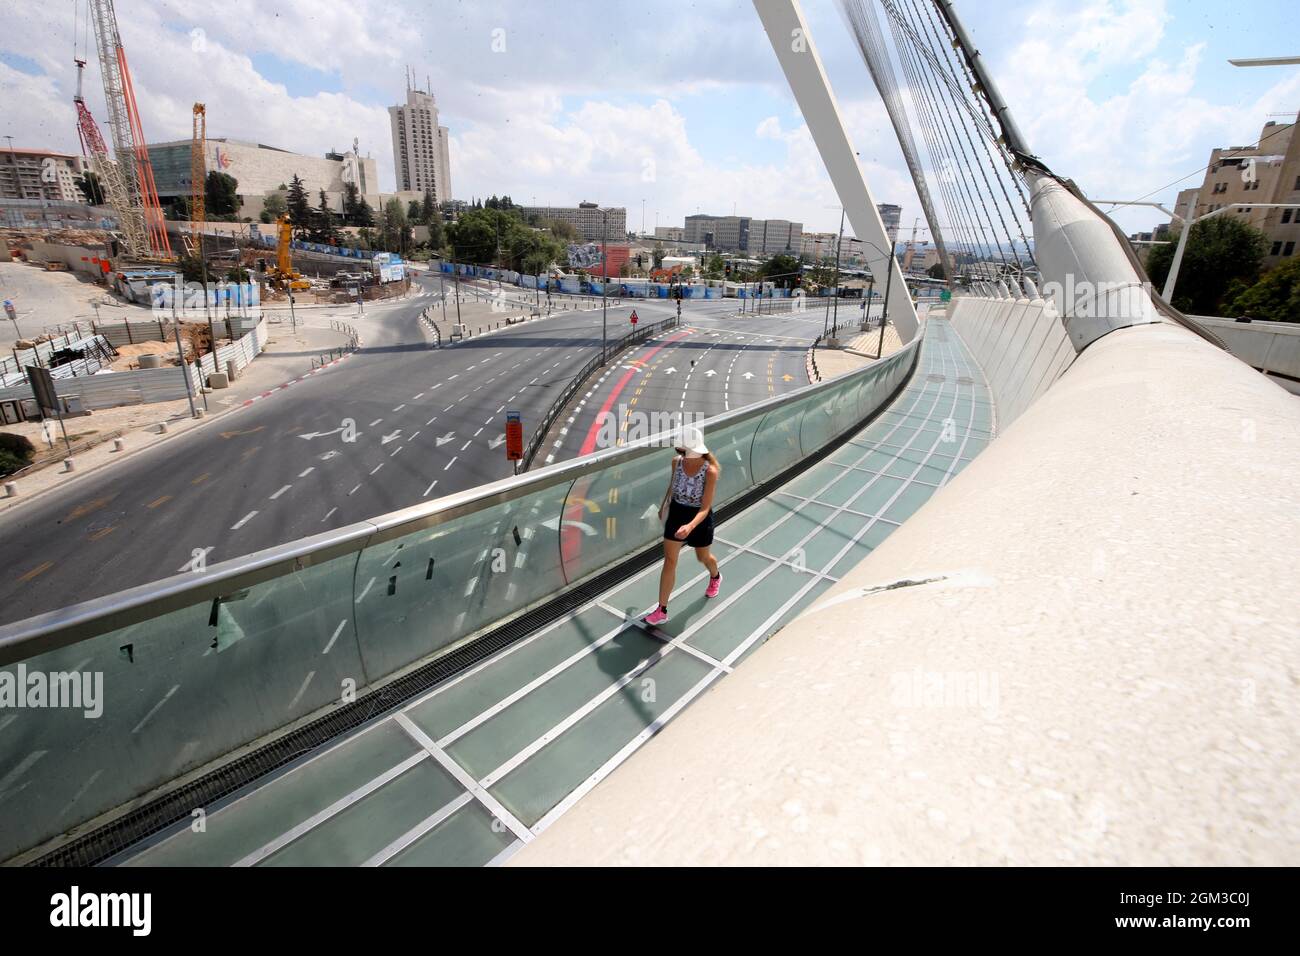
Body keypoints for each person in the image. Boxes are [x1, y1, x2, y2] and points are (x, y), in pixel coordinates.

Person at [643, 425, 721, 626]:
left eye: (681, 448)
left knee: (702, 557)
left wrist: (690, 526)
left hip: (698, 518)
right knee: (670, 561)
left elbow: (705, 508)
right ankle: (662, 610)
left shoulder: (710, 471)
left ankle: (715, 576)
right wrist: (664, 506)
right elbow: (673, 484)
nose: (678, 452)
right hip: (677, 512)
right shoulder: (676, 462)